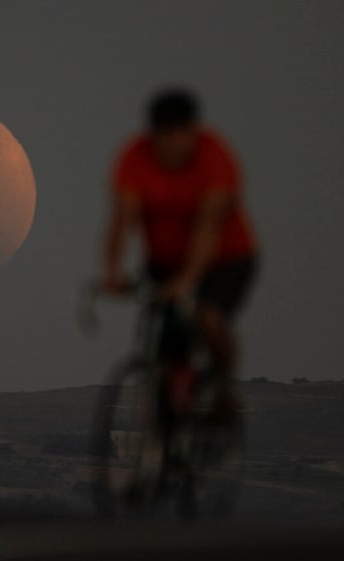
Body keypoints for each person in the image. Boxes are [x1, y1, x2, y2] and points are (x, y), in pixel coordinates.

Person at [102, 87, 258, 419]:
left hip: (226, 256)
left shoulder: (215, 156)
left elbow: (209, 227)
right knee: (163, 330)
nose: (173, 144)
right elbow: (122, 220)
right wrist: (112, 273)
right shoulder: (134, 157)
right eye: (165, 135)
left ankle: (223, 389)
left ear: (193, 132)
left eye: (180, 134)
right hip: (165, 259)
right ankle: (169, 414)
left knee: (209, 318)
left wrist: (188, 280)